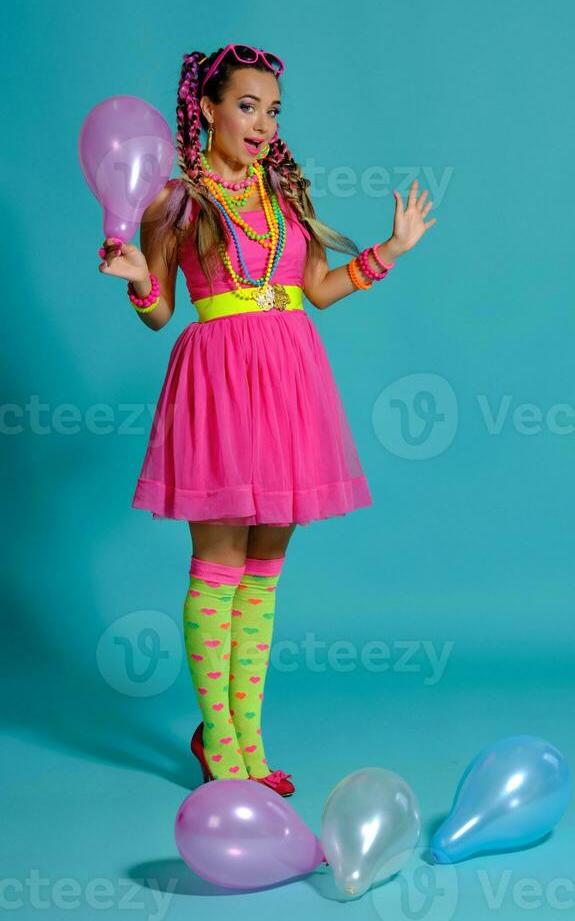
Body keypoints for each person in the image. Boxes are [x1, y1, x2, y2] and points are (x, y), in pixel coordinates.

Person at [97, 43, 436, 796]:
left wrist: (390, 251)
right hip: (218, 382)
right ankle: (219, 738)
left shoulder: (283, 190)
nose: (261, 122)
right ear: (208, 108)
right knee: (218, 567)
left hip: (289, 379)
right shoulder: (177, 199)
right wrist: (135, 280)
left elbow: (317, 286)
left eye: (273, 109)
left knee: (264, 575)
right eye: (247, 106)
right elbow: (159, 313)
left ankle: (248, 736)